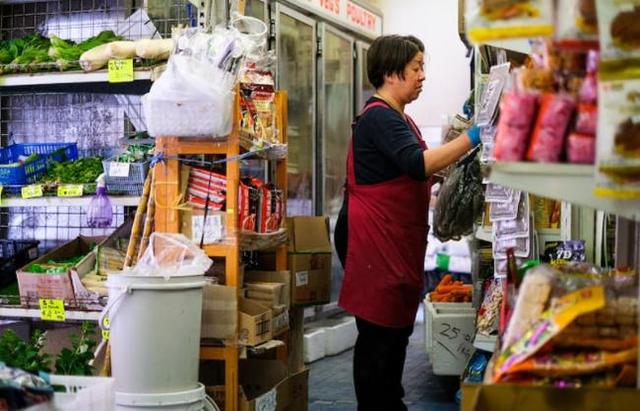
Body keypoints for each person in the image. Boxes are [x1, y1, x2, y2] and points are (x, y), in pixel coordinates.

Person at [334, 34, 481, 411]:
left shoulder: (399, 117)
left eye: (422, 67)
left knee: (394, 332)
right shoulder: (380, 116)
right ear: (389, 73)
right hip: (372, 241)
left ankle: (387, 402)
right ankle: (378, 405)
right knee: (378, 335)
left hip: (391, 239)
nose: (422, 76)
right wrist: (473, 137)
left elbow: (410, 172)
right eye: (415, 68)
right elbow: (418, 164)